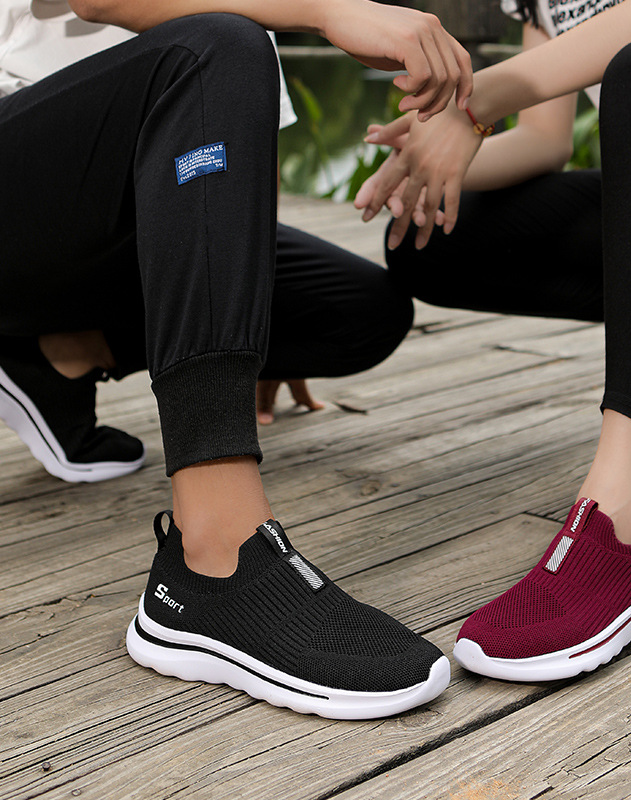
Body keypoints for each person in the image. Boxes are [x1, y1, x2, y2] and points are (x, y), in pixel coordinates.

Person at [0, 0, 472, 718]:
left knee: (360, 310)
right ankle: (213, 557)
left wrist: (238, 320)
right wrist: (328, 11)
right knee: (212, 48)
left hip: (117, 215)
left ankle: (53, 357)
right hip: (26, 189)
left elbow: (242, 163)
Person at [355, 0, 631, 681]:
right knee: (434, 241)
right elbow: (544, 140)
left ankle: (627, 523)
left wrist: (472, 106)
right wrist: (423, 160)